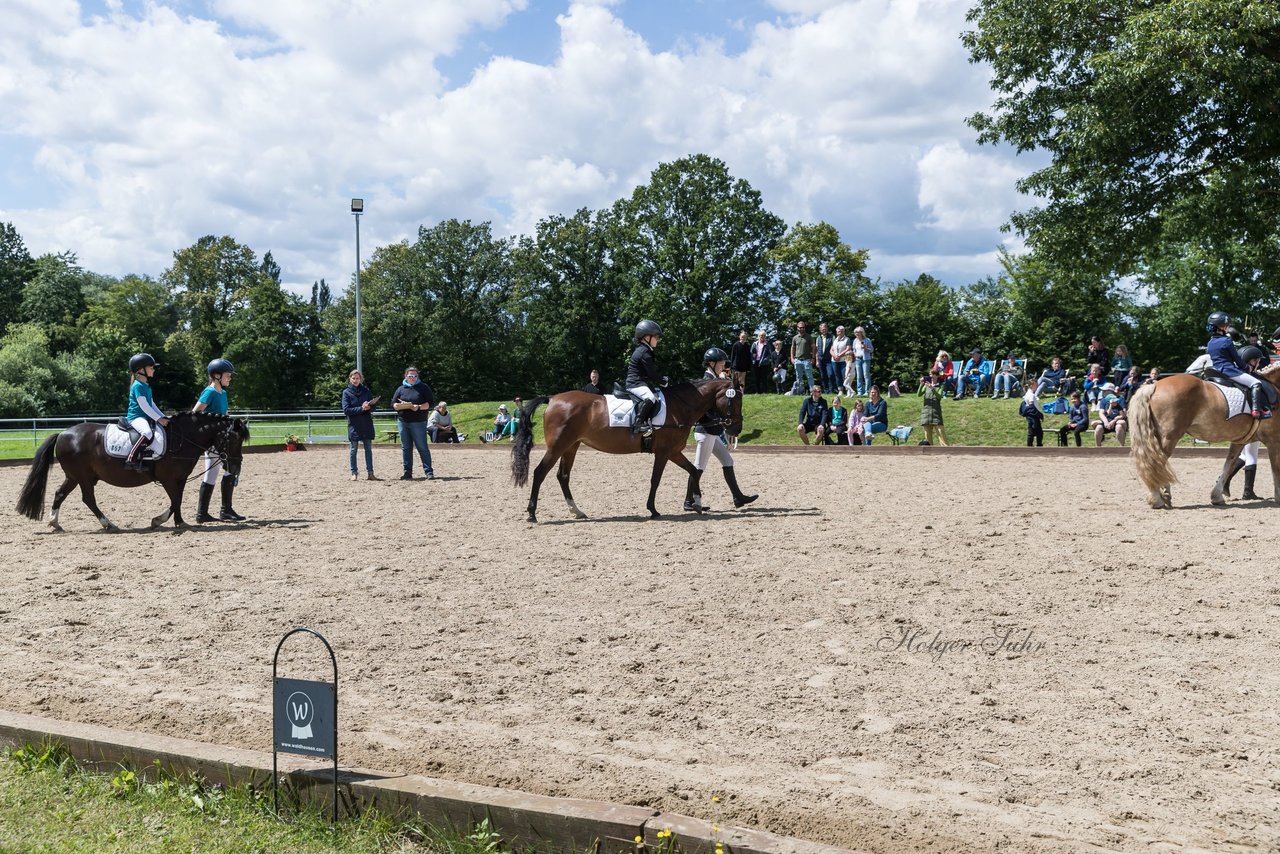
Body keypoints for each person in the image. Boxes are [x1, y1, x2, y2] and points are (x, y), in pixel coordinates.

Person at [686, 347, 758, 511]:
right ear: (711, 363)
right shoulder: (707, 382)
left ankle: (738, 497)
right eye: (721, 363)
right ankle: (689, 501)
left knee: (727, 460)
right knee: (698, 467)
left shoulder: (715, 380)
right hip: (705, 431)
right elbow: (704, 410)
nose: (724, 365)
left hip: (712, 432)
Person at [190, 357, 246, 520]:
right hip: (214, 441)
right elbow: (196, 413)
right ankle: (218, 511)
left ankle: (210, 512)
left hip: (222, 440)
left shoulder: (223, 393)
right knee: (223, 471)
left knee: (224, 471)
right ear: (216, 376)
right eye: (227, 375)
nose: (230, 378)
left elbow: (224, 415)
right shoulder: (210, 392)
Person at [1222, 345, 1270, 499]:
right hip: (1250, 421)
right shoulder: (1249, 379)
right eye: (1256, 360)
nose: (1258, 363)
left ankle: (1234, 485)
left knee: (1246, 455)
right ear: (1249, 360)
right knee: (1250, 455)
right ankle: (1238, 487)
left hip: (1246, 421)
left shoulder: (1241, 377)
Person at [1207, 311, 1271, 419]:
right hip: (1229, 371)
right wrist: (1247, 367)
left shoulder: (1210, 343)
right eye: (1227, 326)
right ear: (1222, 326)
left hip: (1215, 371)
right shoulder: (1226, 340)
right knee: (1256, 383)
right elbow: (1236, 358)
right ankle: (1257, 410)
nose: (1228, 328)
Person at [123, 353, 170, 471]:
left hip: (145, 417)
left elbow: (152, 405)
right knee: (147, 432)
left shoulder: (146, 385)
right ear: (141, 370)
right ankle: (131, 459)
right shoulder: (137, 386)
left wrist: (163, 416)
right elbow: (144, 407)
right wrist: (158, 419)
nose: (153, 370)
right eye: (151, 367)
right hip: (136, 417)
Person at [391, 366, 435, 480]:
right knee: (406, 448)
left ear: (417, 376)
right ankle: (407, 472)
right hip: (403, 421)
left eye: (415, 376)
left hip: (419, 422)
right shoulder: (400, 389)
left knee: (422, 447)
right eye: (410, 376)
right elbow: (393, 403)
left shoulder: (423, 387)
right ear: (406, 376)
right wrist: (396, 406)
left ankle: (428, 472)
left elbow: (430, 404)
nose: (412, 378)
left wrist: (418, 407)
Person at [626, 319, 665, 436]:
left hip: (639, 382)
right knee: (651, 398)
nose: (658, 339)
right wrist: (664, 381)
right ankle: (638, 423)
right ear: (646, 337)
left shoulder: (645, 350)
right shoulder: (644, 352)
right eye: (656, 336)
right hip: (635, 383)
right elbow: (651, 374)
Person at [341, 368, 379, 483]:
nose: (356, 380)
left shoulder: (366, 391)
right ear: (350, 378)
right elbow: (346, 410)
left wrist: (369, 406)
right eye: (354, 378)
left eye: (358, 378)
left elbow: (374, 407)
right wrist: (361, 408)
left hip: (366, 423)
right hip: (354, 425)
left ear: (360, 379)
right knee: (353, 450)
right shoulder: (346, 392)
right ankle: (354, 473)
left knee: (368, 450)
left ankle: (370, 473)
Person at [919, 369, 948, 446]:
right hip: (926, 414)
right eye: (930, 374)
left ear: (937, 375)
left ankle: (946, 449)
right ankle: (929, 451)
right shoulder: (926, 385)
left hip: (936, 413)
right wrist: (921, 384)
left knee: (941, 433)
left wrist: (933, 389)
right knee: (927, 435)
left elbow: (939, 396)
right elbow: (919, 394)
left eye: (932, 374)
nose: (930, 376)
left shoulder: (940, 385)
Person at [790, 321, 815, 393]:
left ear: (805, 328)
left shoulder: (809, 337)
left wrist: (813, 358)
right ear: (797, 328)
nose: (801, 329)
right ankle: (799, 391)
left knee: (809, 376)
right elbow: (792, 348)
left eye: (803, 327)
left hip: (807, 360)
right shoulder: (795, 338)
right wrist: (792, 358)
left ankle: (812, 392)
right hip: (797, 360)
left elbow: (813, 347)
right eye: (800, 327)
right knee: (798, 377)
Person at [851, 326, 873, 397]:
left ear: (862, 332)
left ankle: (867, 392)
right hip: (858, 359)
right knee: (859, 376)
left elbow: (871, 349)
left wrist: (865, 348)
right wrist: (854, 354)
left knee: (866, 375)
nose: (856, 334)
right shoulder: (855, 340)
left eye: (858, 332)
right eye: (855, 332)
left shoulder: (867, 340)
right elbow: (854, 349)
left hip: (865, 359)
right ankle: (860, 391)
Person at [830, 326, 852, 395]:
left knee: (845, 375)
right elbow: (831, 350)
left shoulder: (847, 339)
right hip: (834, 360)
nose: (840, 333)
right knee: (837, 376)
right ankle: (840, 390)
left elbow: (848, 349)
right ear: (836, 332)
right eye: (838, 331)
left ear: (844, 331)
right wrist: (834, 355)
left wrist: (839, 355)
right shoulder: (835, 339)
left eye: (842, 331)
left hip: (844, 360)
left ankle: (848, 390)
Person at [814, 322, 835, 393]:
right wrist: (817, 360)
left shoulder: (832, 337)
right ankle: (826, 390)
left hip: (829, 359)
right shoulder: (818, 338)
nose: (824, 330)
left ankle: (832, 389)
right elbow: (816, 350)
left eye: (825, 328)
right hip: (820, 360)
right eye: (822, 329)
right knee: (823, 376)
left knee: (830, 374)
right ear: (820, 330)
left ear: (827, 328)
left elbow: (834, 348)